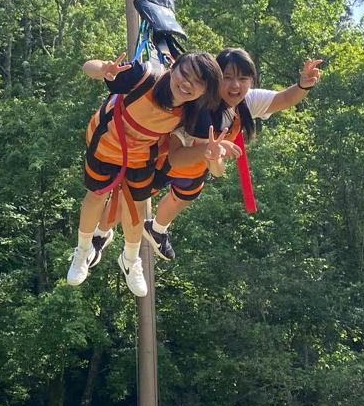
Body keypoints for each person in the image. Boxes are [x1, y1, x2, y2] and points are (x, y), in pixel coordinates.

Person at [67, 51, 222, 297]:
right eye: (184, 73)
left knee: (137, 205)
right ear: (173, 67)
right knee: (96, 196)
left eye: (198, 82)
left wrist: (210, 154)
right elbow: (88, 66)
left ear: (206, 91)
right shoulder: (144, 76)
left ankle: (130, 259)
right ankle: (83, 250)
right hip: (107, 142)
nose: (187, 84)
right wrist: (103, 69)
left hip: (141, 154)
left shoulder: (195, 111)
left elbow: (206, 159)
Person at [145, 50, 323, 261]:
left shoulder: (246, 101)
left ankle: (157, 230)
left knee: (182, 198)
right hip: (162, 163)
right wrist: (209, 150)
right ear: (214, 78)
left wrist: (303, 86)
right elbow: (175, 157)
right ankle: (115, 244)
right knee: (128, 203)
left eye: (243, 78)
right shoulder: (194, 104)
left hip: (197, 169)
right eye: (227, 77)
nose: (235, 85)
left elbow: (283, 98)